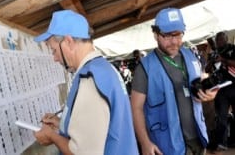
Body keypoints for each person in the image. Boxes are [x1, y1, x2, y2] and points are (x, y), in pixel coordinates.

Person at [33, 10, 139, 155]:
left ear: (69, 42)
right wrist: (62, 123)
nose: (55, 58)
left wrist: (52, 136)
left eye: (54, 51)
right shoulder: (104, 69)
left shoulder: (90, 79)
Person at [130, 8, 218, 155]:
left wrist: (211, 92)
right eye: (167, 36)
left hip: (198, 139)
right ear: (155, 35)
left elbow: (202, 77)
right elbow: (136, 108)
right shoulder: (145, 68)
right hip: (166, 145)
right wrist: (145, 142)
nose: (174, 42)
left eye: (178, 35)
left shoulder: (190, 55)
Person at [211, 31, 235, 150]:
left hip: (234, 85)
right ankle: (222, 143)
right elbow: (208, 69)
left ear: (226, 39)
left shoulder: (232, 49)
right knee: (221, 117)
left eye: (220, 39)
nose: (218, 42)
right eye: (217, 40)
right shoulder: (214, 52)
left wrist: (223, 60)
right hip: (221, 89)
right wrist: (211, 62)